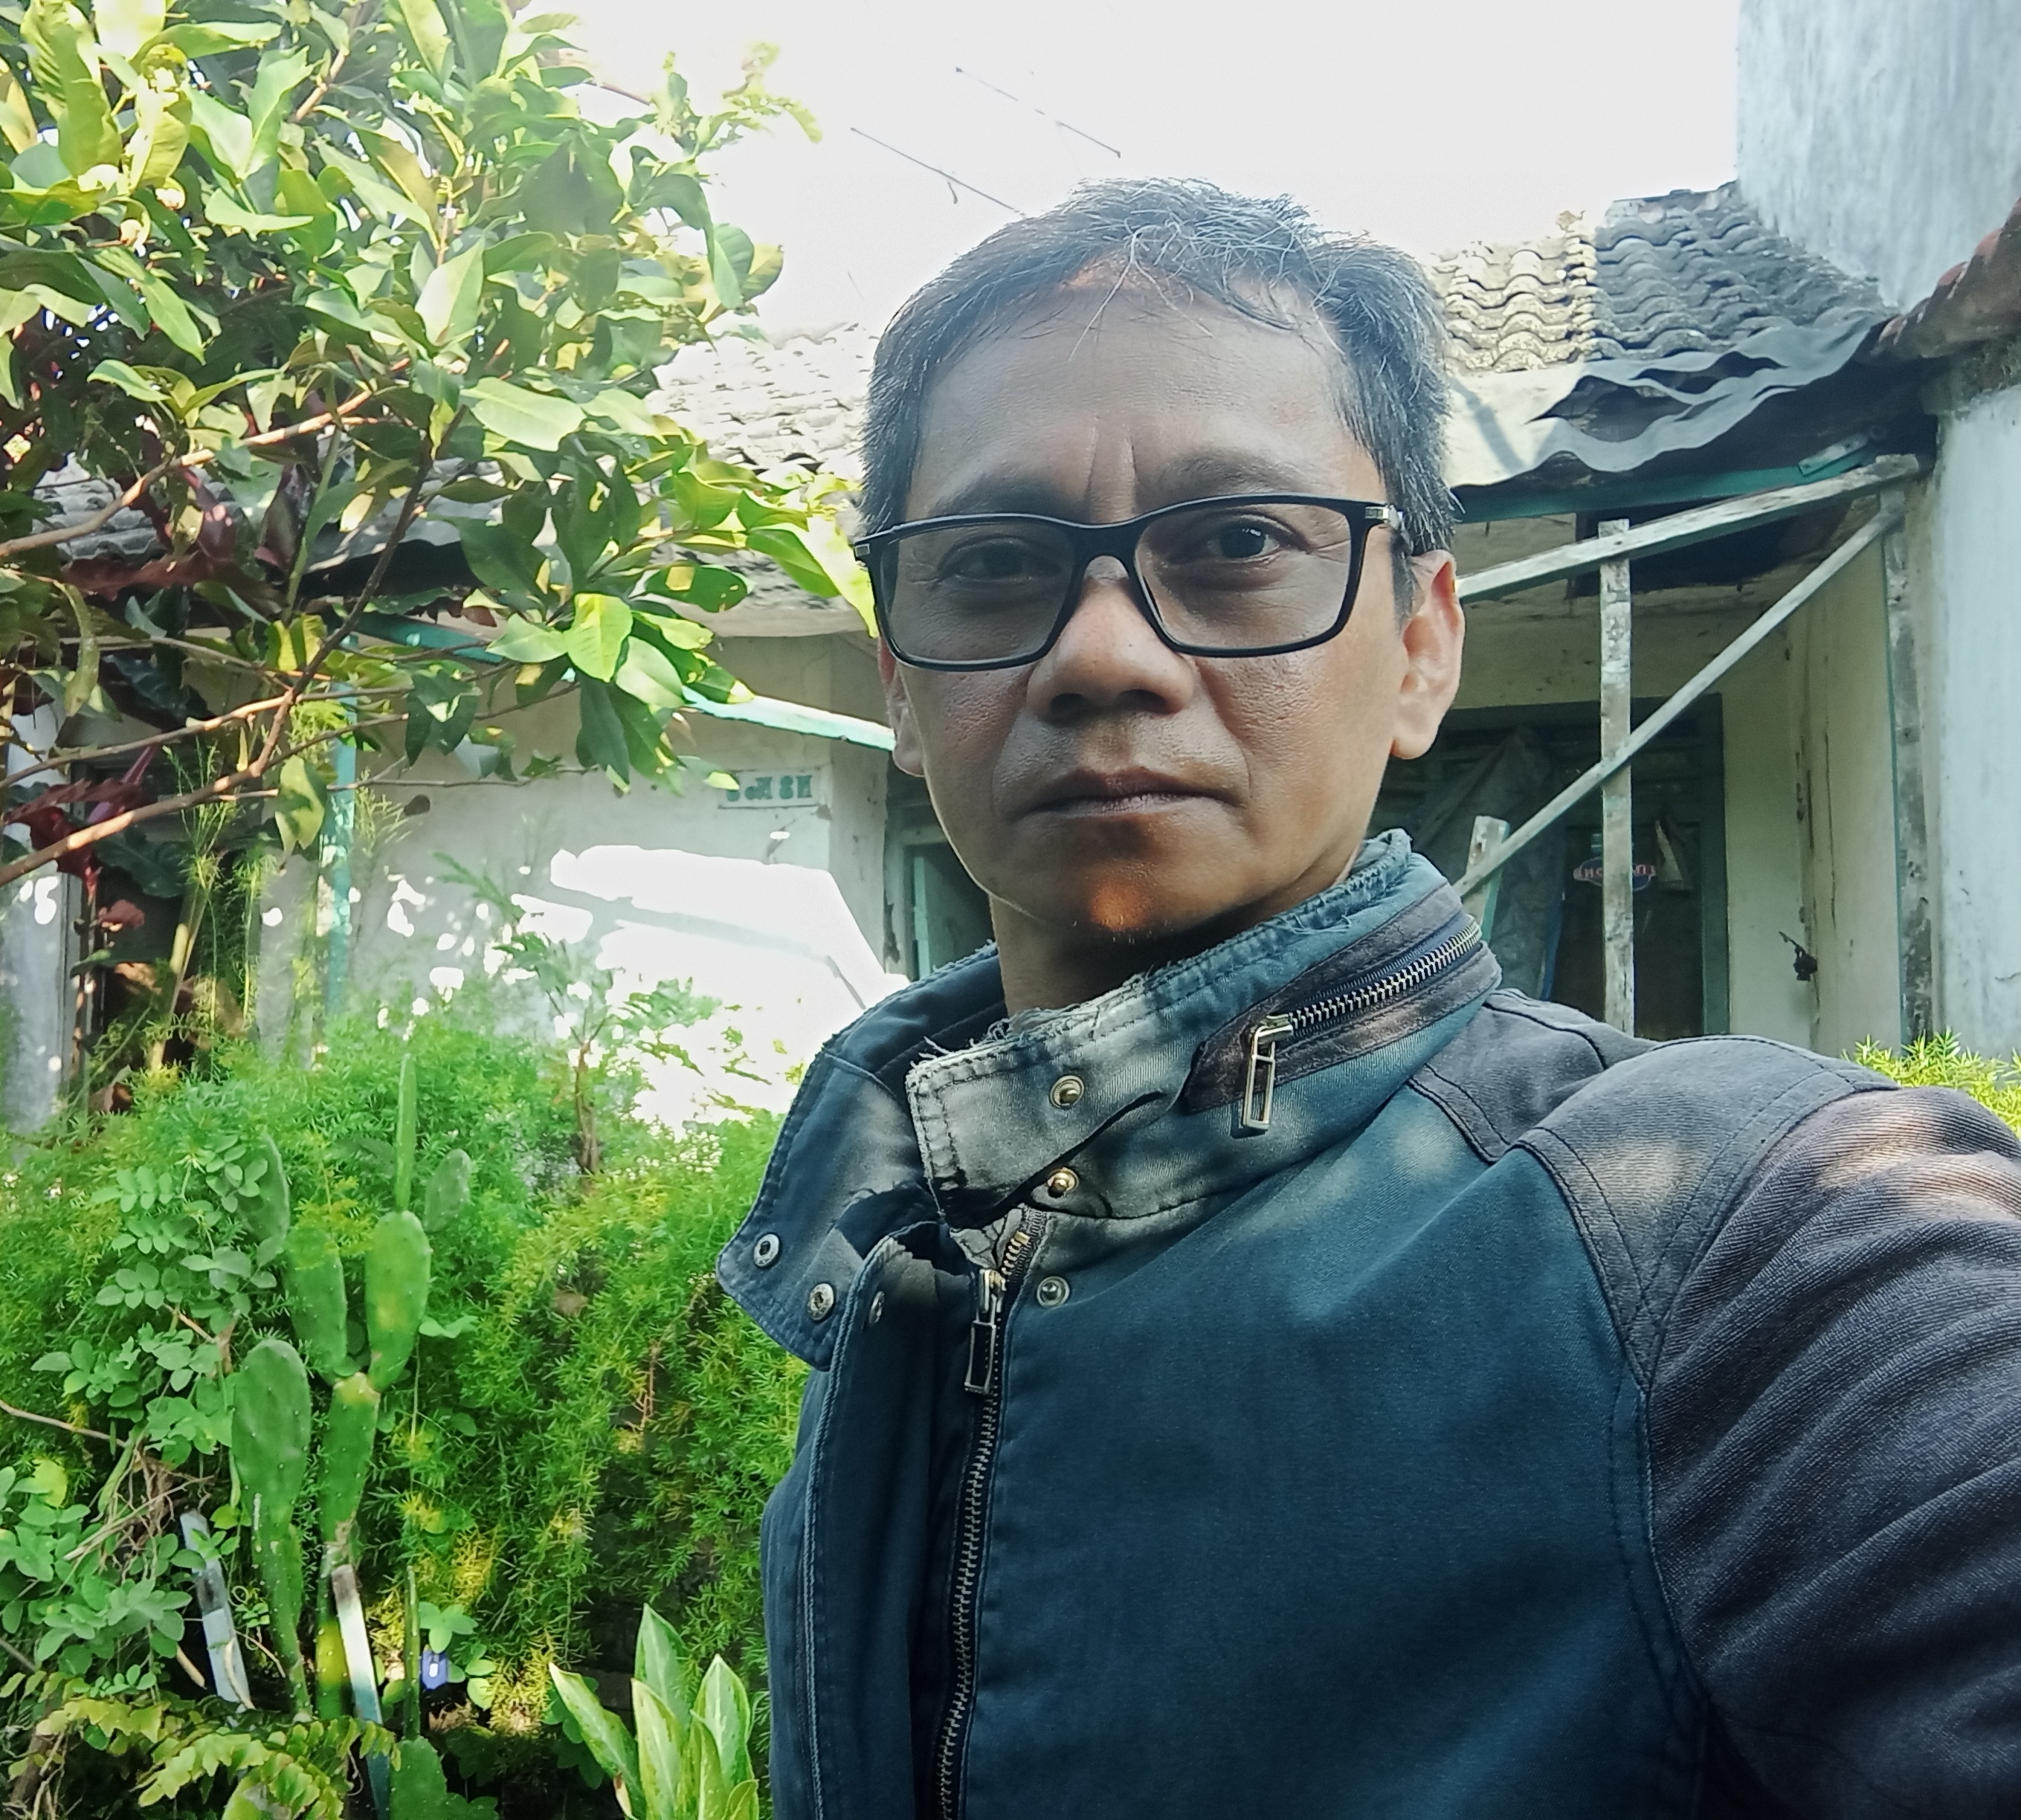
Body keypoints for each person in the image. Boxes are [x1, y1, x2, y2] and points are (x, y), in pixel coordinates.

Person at [715, 178, 2021, 1819]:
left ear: (1421, 646)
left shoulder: (1740, 1238)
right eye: (991, 564)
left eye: (1238, 544)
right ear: (902, 687)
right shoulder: (899, 1244)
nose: (1104, 657)